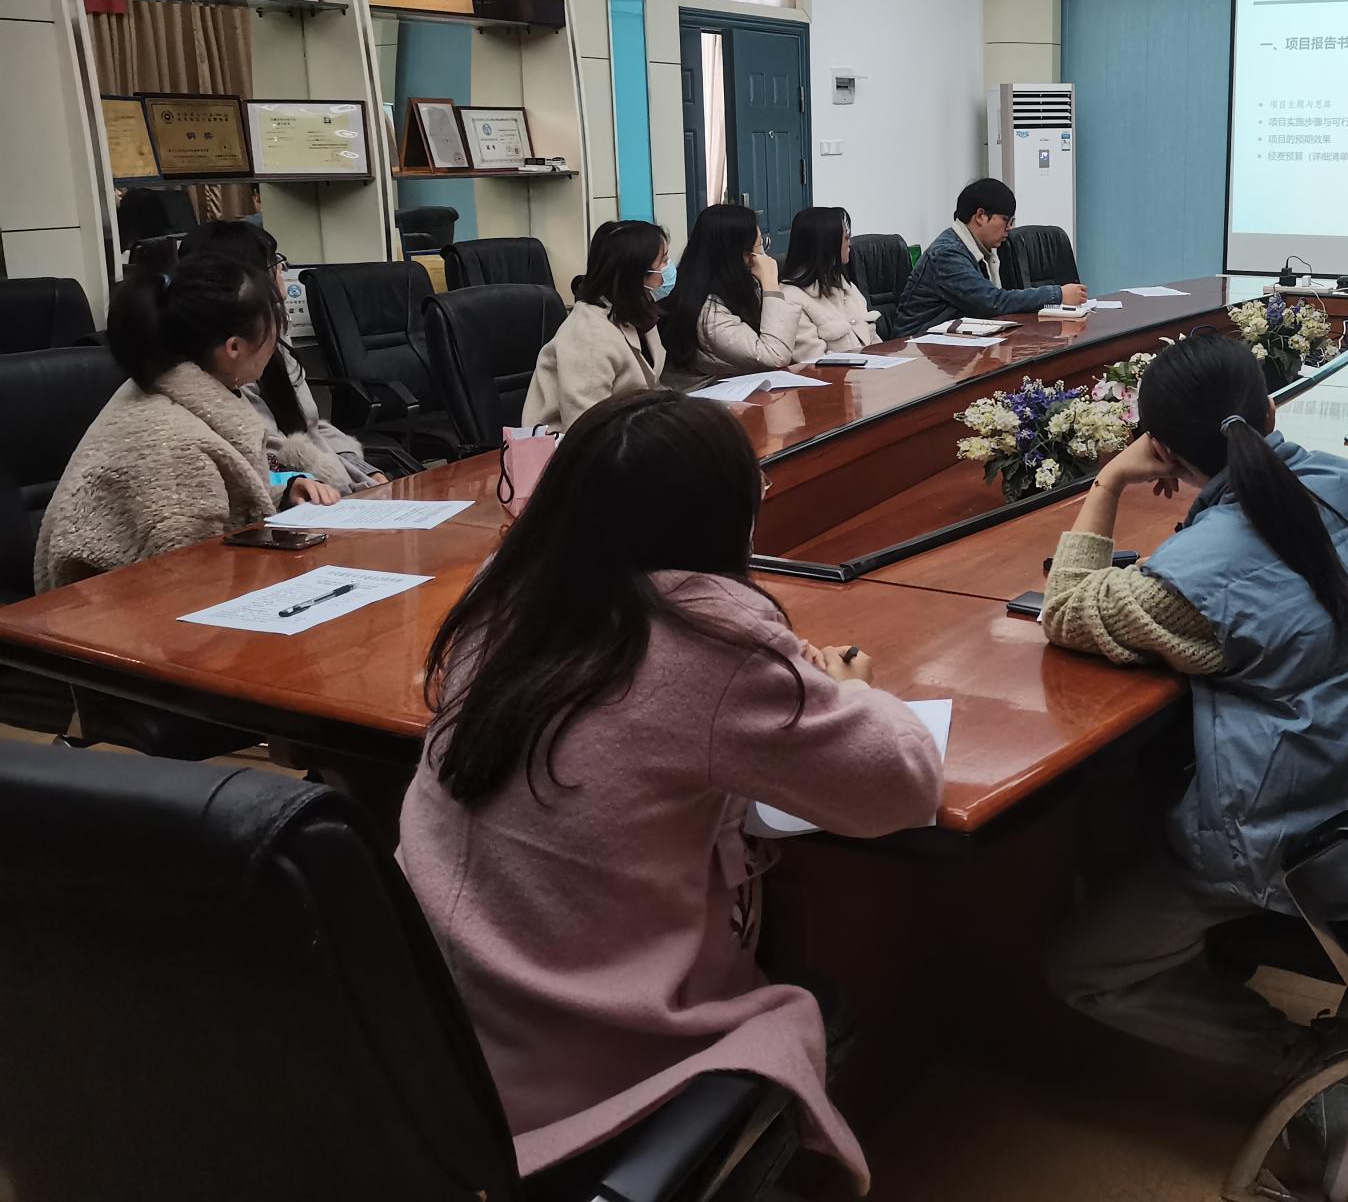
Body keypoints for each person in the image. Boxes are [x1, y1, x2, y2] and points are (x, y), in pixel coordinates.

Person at [397, 389, 943, 1188]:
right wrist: (852, 691)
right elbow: (903, 781)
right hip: (577, 1061)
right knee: (820, 1003)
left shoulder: (505, 592)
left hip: (423, 1022)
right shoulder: (708, 637)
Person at [1039, 333, 1348, 1091]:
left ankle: (1302, 1061)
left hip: (1336, 853)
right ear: (1272, 411)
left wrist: (1110, 479)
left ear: (1162, 451)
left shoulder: (1196, 582)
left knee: (1083, 967)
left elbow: (1066, 609)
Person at [35, 253, 341, 592]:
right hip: (110, 612)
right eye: (272, 328)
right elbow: (189, 581)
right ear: (234, 347)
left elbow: (229, 502)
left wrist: (284, 494)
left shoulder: (179, 391)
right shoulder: (170, 445)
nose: (276, 341)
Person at [178, 220, 387, 492]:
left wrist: (362, 470)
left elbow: (311, 427)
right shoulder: (223, 367)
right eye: (273, 262)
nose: (281, 270)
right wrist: (333, 484)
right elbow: (269, 460)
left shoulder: (270, 341)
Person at [525, 219, 670, 430]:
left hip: (630, 430)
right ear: (636, 273)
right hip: (576, 443)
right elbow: (586, 427)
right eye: (663, 262)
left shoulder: (637, 312)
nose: (668, 269)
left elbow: (650, 386)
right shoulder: (589, 336)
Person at [894, 178, 1087, 336]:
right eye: (1006, 220)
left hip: (950, 344)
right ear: (981, 216)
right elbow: (993, 302)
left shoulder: (980, 250)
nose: (1009, 229)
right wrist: (1058, 294)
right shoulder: (947, 253)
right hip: (918, 346)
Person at [660, 203, 818, 388]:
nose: (764, 256)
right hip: (704, 398)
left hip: (740, 388)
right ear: (742, 256)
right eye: (759, 247)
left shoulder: (738, 288)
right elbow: (774, 356)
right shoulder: (709, 314)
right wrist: (771, 285)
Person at [782, 205, 881, 353]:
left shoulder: (845, 286)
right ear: (826, 243)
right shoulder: (791, 299)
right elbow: (814, 359)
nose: (850, 243)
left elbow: (875, 341)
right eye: (845, 237)